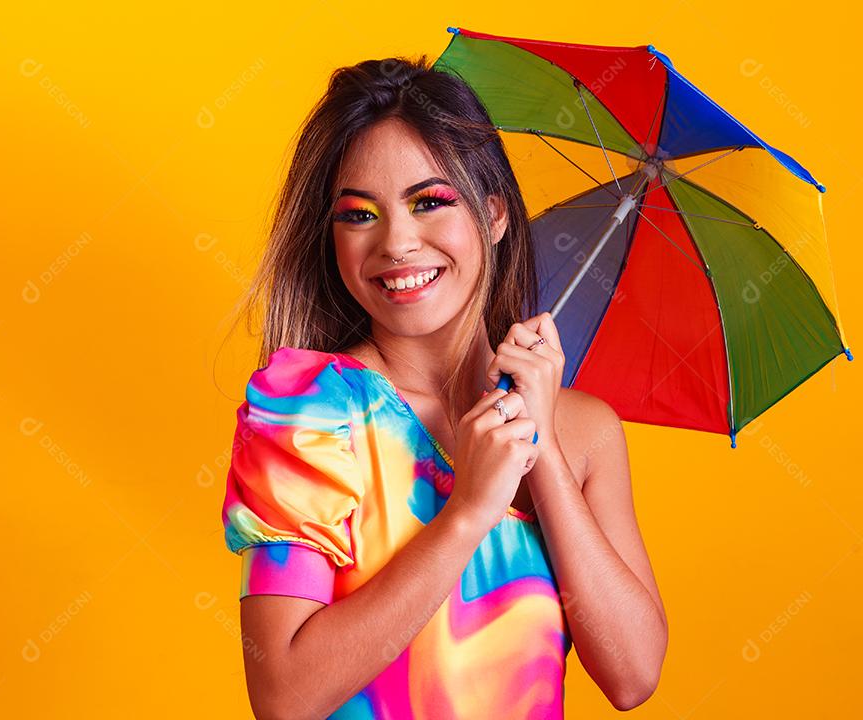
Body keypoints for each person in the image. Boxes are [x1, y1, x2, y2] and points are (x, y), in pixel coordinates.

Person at [219, 54, 667, 720]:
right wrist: (467, 514)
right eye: (359, 215)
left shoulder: (586, 430)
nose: (398, 243)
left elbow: (632, 675)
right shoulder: (308, 411)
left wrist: (539, 448)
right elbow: (285, 695)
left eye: (430, 202)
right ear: (331, 238)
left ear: (493, 216)